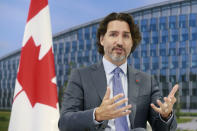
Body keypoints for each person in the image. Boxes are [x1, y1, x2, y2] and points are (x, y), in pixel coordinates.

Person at [58, 12, 178, 131]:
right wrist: (97, 115)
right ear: (102, 39)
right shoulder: (81, 76)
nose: (119, 42)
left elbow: (163, 127)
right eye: (113, 35)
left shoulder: (147, 81)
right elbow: (64, 122)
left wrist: (165, 115)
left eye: (126, 36)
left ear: (132, 42)